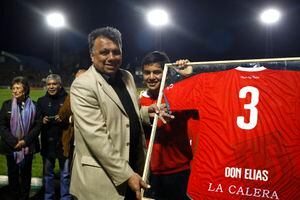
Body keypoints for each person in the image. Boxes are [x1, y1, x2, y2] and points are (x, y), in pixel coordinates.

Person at [70, 26, 149, 200]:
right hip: (101, 182)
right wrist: (127, 174)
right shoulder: (83, 85)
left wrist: (147, 113)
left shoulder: (126, 76)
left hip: (134, 170)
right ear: (92, 55)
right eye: (104, 52)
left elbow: (127, 116)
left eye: (116, 52)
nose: (111, 58)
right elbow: (96, 138)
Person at [140, 51, 195, 200]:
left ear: (165, 72)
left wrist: (187, 76)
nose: (151, 77)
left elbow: (199, 100)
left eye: (157, 72)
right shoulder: (138, 100)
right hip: (149, 173)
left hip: (179, 171)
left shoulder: (179, 94)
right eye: (147, 73)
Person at [0, 76, 41, 200]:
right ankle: (14, 196)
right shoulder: (6, 105)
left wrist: (24, 141)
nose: (15, 91)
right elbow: (2, 126)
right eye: (13, 88)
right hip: (11, 147)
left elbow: (37, 126)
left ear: (25, 89)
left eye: (18, 88)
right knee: (12, 173)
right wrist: (14, 142)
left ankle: (24, 197)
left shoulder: (34, 106)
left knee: (25, 174)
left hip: (27, 147)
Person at [37, 74, 71, 200]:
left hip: (64, 143)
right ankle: (48, 197)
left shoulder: (68, 99)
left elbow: (74, 119)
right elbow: (36, 121)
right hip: (47, 143)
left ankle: (65, 197)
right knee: (47, 174)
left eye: (54, 84)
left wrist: (64, 119)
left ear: (60, 85)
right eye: (49, 84)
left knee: (66, 174)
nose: (51, 86)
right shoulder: (41, 101)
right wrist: (42, 120)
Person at [58, 69, 86, 162]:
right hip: (74, 139)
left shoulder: (94, 95)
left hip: (88, 140)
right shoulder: (72, 95)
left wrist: (72, 118)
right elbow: (62, 115)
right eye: (76, 80)